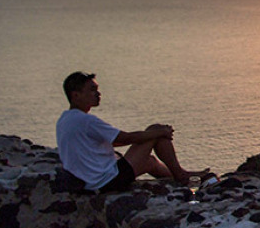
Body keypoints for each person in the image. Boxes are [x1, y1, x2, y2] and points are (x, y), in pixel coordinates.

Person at [56, 71, 206, 193]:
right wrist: (161, 132)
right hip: (107, 180)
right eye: (92, 90)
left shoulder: (65, 119)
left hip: (90, 181)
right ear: (75, 95)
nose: (98, 94)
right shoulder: (86, 120)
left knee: (150, 161)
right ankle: (181, 175)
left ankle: (180, 176)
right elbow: (127, 138)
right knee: (154, 129)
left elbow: (114, 141)